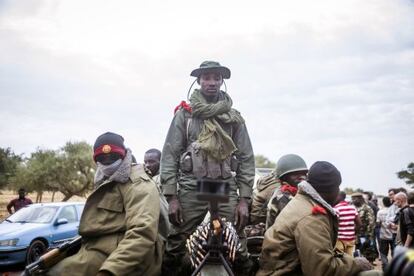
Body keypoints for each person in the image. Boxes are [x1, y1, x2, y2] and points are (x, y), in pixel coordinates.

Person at [160, 61, 255, 275]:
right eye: (207, 78)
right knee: (176, 241)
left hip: (223, 185)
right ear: (199, 81)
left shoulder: (234, 117)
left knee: (237, 242)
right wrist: (172, 197)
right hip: (192, 185)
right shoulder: (185, 115)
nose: (211, 82)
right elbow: (170, 154)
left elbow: (246, 157)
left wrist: (244, 199)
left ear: (222, 82)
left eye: (216, 78)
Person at [48, 132, 163, 276]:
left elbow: (142, 233)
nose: (108, 162)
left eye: (113, 157)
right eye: (102, 158)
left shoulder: (138, 184)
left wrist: (109, 271)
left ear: (124, 155)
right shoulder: (103, 179)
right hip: (97, 248)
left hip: (125, 255)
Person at [257, 161, 374, 276]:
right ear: (332, 189)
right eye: (338, 187)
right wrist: (356, 264)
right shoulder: (312, 217)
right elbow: (321, 270)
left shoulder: (302, 201)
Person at [265, 154, 308, 229]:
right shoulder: (282, 197)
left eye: (304, 173)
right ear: (284, 178)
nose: (302, 177)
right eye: (296, 174)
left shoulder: (296, 192)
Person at [334, 191, 362, 256]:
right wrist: (352, 233)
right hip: (351, 240)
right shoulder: (353, 208)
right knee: (350, 260)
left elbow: (335, 225)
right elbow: (359, 224)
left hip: (340, 240)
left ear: (339, 197)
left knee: (340, 260)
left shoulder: (336, 208)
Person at [352, 192, 377, 263]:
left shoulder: (367, 208)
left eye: (354, 199)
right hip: (356, 236)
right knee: (358, 254)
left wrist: (368, 235)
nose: (353, 201)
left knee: (367, 255)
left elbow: (371, 223)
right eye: (352, 199)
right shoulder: (353, 208)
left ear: (360, 199)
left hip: (365, 235)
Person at [377, 196, 394, 270]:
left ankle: (385, 267)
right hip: (393, 235)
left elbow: (378, 223)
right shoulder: (394, 211)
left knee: (383, 253)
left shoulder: (380, 212)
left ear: (383, 203)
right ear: (390, 202)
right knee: (394, 252)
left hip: (383, 235)